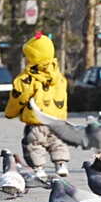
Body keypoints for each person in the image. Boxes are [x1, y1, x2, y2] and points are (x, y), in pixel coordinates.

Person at [4, 32, 70, 178]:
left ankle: (39, 169)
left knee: (34, 145)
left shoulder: (27, 78)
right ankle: (61, 164)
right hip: (57, 120)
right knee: (58, 141)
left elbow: (18, 97)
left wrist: (10, 113)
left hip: (37, 121)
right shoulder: (59, 76)